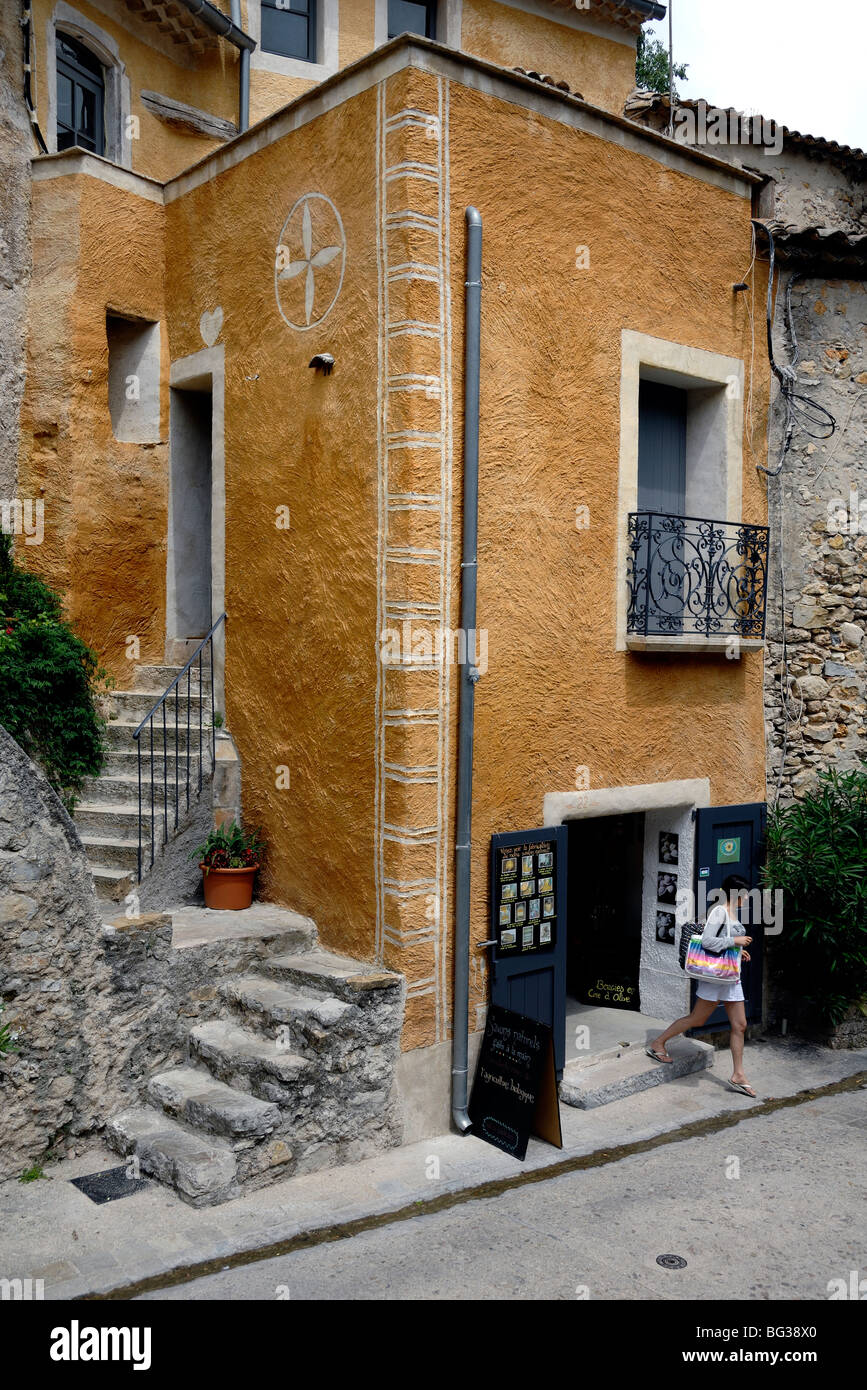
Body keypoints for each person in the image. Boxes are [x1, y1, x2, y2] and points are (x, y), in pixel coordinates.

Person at [646, 873, 756, 1098]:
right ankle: (658, 1043)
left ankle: (738, 1075)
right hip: (716, 977)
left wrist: (738, 951)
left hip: (731, 977)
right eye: (744, 894)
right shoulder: (718, 911)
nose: (747, 897)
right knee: (697, 1019)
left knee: (740, 1025)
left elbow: (724, 943)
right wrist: (734, 942)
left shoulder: (732, 913)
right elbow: (707, 941)